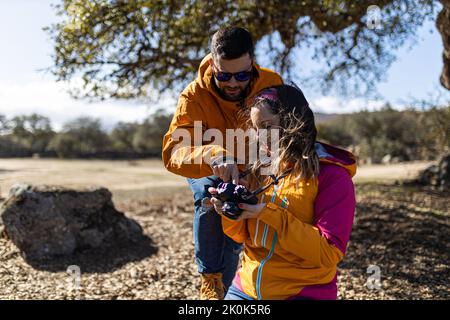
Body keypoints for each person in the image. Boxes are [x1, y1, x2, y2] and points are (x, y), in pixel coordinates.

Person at [162, 26, 283, 299]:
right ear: (213, 64)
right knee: (210, 196)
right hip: (207, 164)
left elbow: (282, 132)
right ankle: (211, 279)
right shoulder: (193, 95)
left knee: (234, 221)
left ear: (252, 63)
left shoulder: (272, 83)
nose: (232, 83)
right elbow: (174, 153)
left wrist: (256, 171)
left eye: (241, 75)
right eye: (223, 75)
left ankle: (232, 289)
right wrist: (213, 155)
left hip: (253, 164)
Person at [209, 84, 357, 300]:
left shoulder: (333, 176)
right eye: (255, 128)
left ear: (292, 121)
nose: (260, 137)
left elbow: (328, 253)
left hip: (302, 292)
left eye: (267, 126)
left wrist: (265, 212)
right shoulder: (261, 168)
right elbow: (241, 236)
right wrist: (231, 211)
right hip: (246, 289)